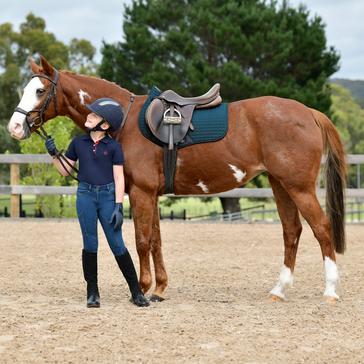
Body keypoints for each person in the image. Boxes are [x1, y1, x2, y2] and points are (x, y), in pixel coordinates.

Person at [44, 97, 149, 308]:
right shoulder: (78, 143)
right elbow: (65, 171)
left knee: (117, 243)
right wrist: (54, 154)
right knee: (90, 243)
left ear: (105, 124)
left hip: (108, 197)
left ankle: (136, 292)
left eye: (94, 115)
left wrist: (119, 206)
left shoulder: (113, 147)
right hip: (85, 196)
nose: (88, 116)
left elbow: (119, 178)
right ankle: (92, 292)